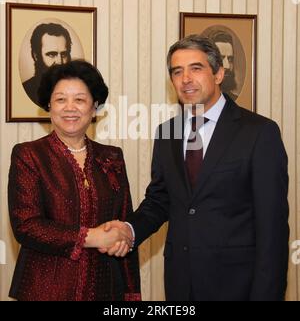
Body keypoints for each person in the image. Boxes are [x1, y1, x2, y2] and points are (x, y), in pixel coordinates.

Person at [104, 35, 289, 301]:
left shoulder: (259, 132)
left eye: (196, 68)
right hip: (181, 284)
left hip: (239, 286)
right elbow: (159, 201)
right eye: (177, 71)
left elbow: (273, 228)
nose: (186, 78)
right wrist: (128, 230)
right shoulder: (167, 132)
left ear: (218, 74)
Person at [8, 60, 141, 301]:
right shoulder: (29, 155)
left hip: (106, 289)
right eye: (60, 99)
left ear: (95, 107)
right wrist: (93, 237)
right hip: (46, 290)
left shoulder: (111, 157)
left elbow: (124, 223)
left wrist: (131, 292)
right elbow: (27, 226)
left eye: (80, 99)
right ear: (49, 105)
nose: (70, 108)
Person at [23, 23, 72, 105]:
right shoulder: (27, 88)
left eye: (64, 54)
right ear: (36, 56)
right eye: (52, 54)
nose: (60, 61)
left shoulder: (79, 89)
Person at [206, 29, 239, 101]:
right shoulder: (196, 101)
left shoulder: (234, 102)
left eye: (230, 59)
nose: (227, 66)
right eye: (221, 58)